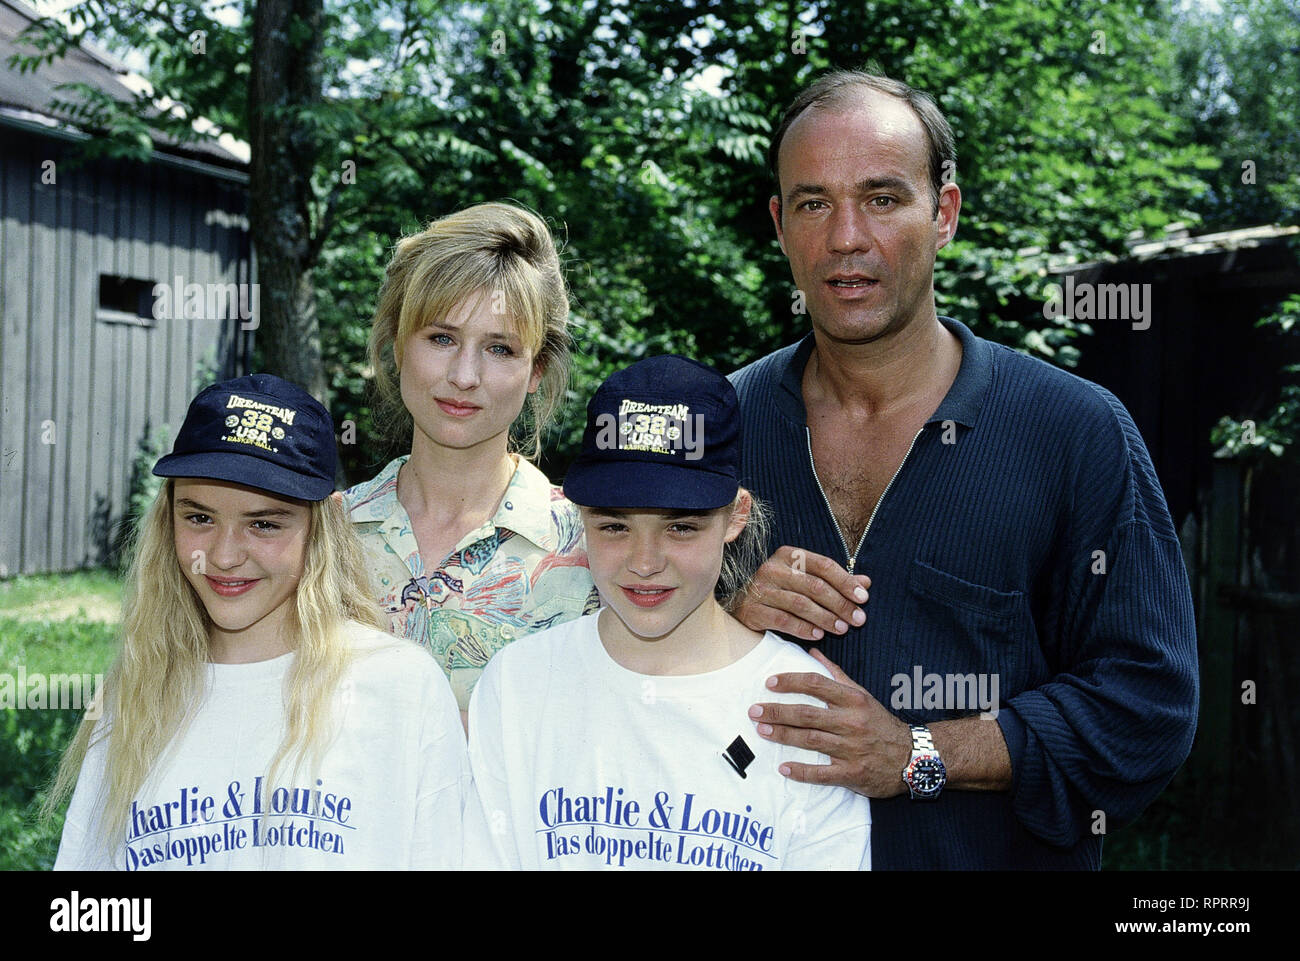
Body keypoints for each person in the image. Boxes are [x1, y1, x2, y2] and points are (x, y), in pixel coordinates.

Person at [728, 70, 1199, 869]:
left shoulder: (1074, 431)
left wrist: (916, 754)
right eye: (813, 203)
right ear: (779, 223)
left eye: (882, 198)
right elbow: (615, 652)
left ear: (943, 212)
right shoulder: (721, 427)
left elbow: (1148, 702)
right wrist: (723, 612)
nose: (846, 236)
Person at [464, 356, 871, 870]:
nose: (645, 562)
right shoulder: (519, 684)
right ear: (579, 516)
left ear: (736, 516)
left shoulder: (800, 704)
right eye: (614, 527)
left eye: (681, 528)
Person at [50, 374, 467, 870]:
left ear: (320, 530)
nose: (224, 556)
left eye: (264, 524)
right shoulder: (136, 693)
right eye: (199, 518)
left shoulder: (399, 685)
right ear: (168, 521)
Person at [345, 202, 600, 723]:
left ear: (537, 369)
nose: (464, 376)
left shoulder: (591, 548)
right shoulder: (323, 536)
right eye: (442, 338)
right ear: (398, 346)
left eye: (500, 349)